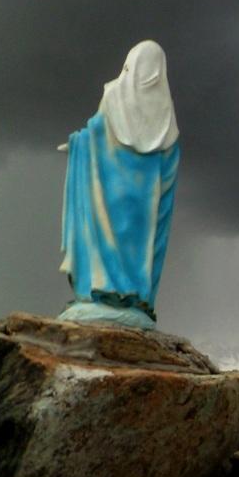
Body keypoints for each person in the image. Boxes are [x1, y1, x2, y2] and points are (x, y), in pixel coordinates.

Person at [57, 40, 181, 330]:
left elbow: (94, 135)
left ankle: (103, 290)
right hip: (145, 210)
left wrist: (77, 146)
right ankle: (136, 297)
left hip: (107, 198)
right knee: (140, 249)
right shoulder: (167, 117)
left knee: (106, 240)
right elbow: (169, 172)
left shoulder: (115, 95)